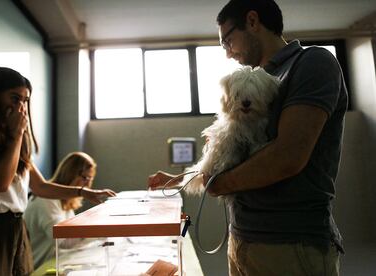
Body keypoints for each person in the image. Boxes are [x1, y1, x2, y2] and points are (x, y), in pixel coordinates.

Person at [148, 0, 348, 275]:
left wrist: (217, 183)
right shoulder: (252, 80)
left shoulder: (311, 62)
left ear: (252, 21)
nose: (228, 54)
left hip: (289, 244)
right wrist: (184, 179)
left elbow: (287, 157)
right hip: (242, 237)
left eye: (228, 41)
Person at [0, 67, 116, 276]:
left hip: (15, 227)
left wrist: (84, 192)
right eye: (14, 98)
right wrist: (17, 135)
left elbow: (40, 186)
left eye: (24, 101)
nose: (20, 107)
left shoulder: (12, 141)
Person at [24, 151, 113, 269]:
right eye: (85, 178)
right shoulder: (45, 200)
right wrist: (98, 232)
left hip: (58, 261)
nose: (88, 184)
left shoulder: (66, 201)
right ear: (70, 174)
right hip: (42, 266)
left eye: (91, 179)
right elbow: (63, 241)